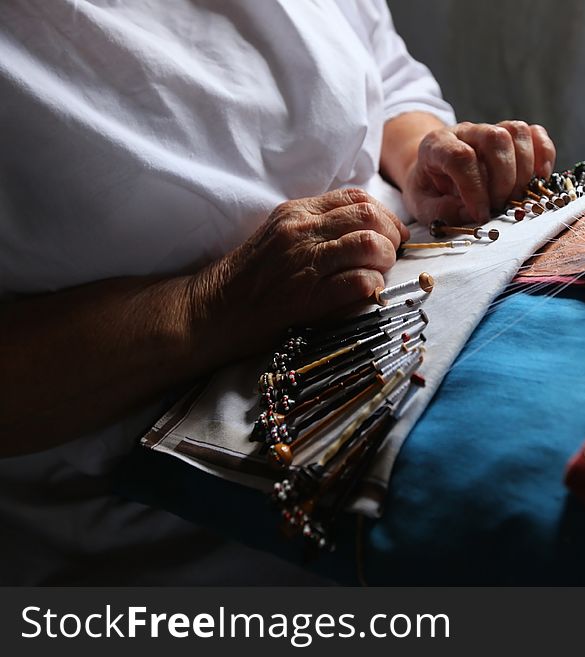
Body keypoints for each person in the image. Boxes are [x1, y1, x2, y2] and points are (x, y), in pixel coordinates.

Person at [0, 1, 555, 583]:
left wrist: (427, 155)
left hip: (436, 312)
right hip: (193, 545)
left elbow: (388, 79)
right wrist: (209, 305)